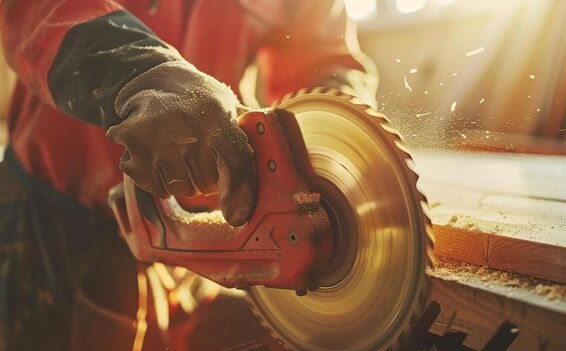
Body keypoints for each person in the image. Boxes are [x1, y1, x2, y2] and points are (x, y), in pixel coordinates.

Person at [0, 0, 377, 350]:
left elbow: (321, 58)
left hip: (199, 223)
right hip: (51, 217)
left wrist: (332, 149)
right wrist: (144, 74)